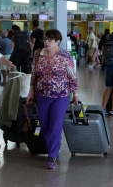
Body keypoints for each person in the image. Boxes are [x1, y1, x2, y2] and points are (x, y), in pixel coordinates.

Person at [26, 29, 79, 169]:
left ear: (58, 42)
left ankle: (52, 155)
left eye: (50, 40)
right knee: (44, 125)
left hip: (61, 95)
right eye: (45, 40)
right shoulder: (38, 54)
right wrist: (31, 91)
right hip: (42, 94)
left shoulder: (65, 55)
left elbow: (72, 76)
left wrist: (75, 94)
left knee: (55, 124)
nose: (46, 42)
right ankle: (54, 146)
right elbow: (33, 74)